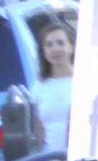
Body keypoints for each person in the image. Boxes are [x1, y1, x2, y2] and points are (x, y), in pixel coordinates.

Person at [29, 20, 75, 153]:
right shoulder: (38, 87)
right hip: (51, 159)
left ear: (71, 46)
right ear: (43, 51)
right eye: (49, 45)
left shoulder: (84, 81)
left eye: (60, 43)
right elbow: (39, 132)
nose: (55, 49)